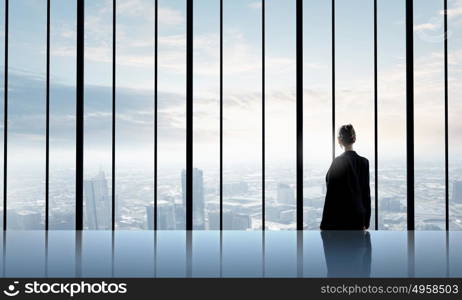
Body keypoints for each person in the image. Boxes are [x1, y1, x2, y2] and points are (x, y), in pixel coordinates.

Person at [320, 124, 371, 230]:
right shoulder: (364, 162)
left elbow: (331, 195)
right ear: (354, 138)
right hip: (359, 218)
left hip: (340, 218)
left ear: (339, 140)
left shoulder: (338, 162)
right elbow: (366, 193)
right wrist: (366, 221)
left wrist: (324, 223)